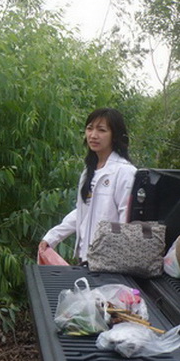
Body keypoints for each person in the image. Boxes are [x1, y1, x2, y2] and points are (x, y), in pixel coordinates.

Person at [39, 107, 137, 264]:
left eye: (101, 130)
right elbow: (82, 212)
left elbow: (126, 220)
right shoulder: (89, 171)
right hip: (86, 259)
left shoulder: (124, 172)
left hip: (109, 263)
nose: (93, 135)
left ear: (115, 135)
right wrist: (51, 237)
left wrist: (117, 262)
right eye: (89, 128)